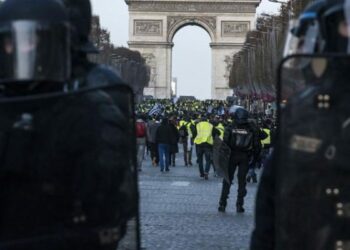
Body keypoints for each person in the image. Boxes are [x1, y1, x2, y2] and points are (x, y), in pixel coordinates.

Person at [0, 1, 135, 250]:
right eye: (9, 41)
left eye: (31, 40)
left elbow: (107, 208)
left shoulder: (88, 113)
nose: (18, 49)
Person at [251, 0, 350, 249]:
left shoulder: (304, 111)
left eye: (308, 40)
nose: (305, 51)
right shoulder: (304, 110)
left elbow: (269, 212)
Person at [218, 108, 260, 213]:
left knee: (227, 180)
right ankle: (239, 205)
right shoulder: (252, 128)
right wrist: (255, 159)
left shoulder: (230, 127)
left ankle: (222, 204)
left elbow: (225, 143)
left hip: (232, 156)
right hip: (244, 157)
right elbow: (257, 145)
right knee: (242, 182)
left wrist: (222, 158)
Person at [194, 114, 219, 180]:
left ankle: (201, 173)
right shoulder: (210, 125)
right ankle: (206, 172)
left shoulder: (197, 125)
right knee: (208, 160)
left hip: (199, 144)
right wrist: (213, 136)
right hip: (208, 144)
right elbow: (218, 132)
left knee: (200, 160)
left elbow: (194, 133)